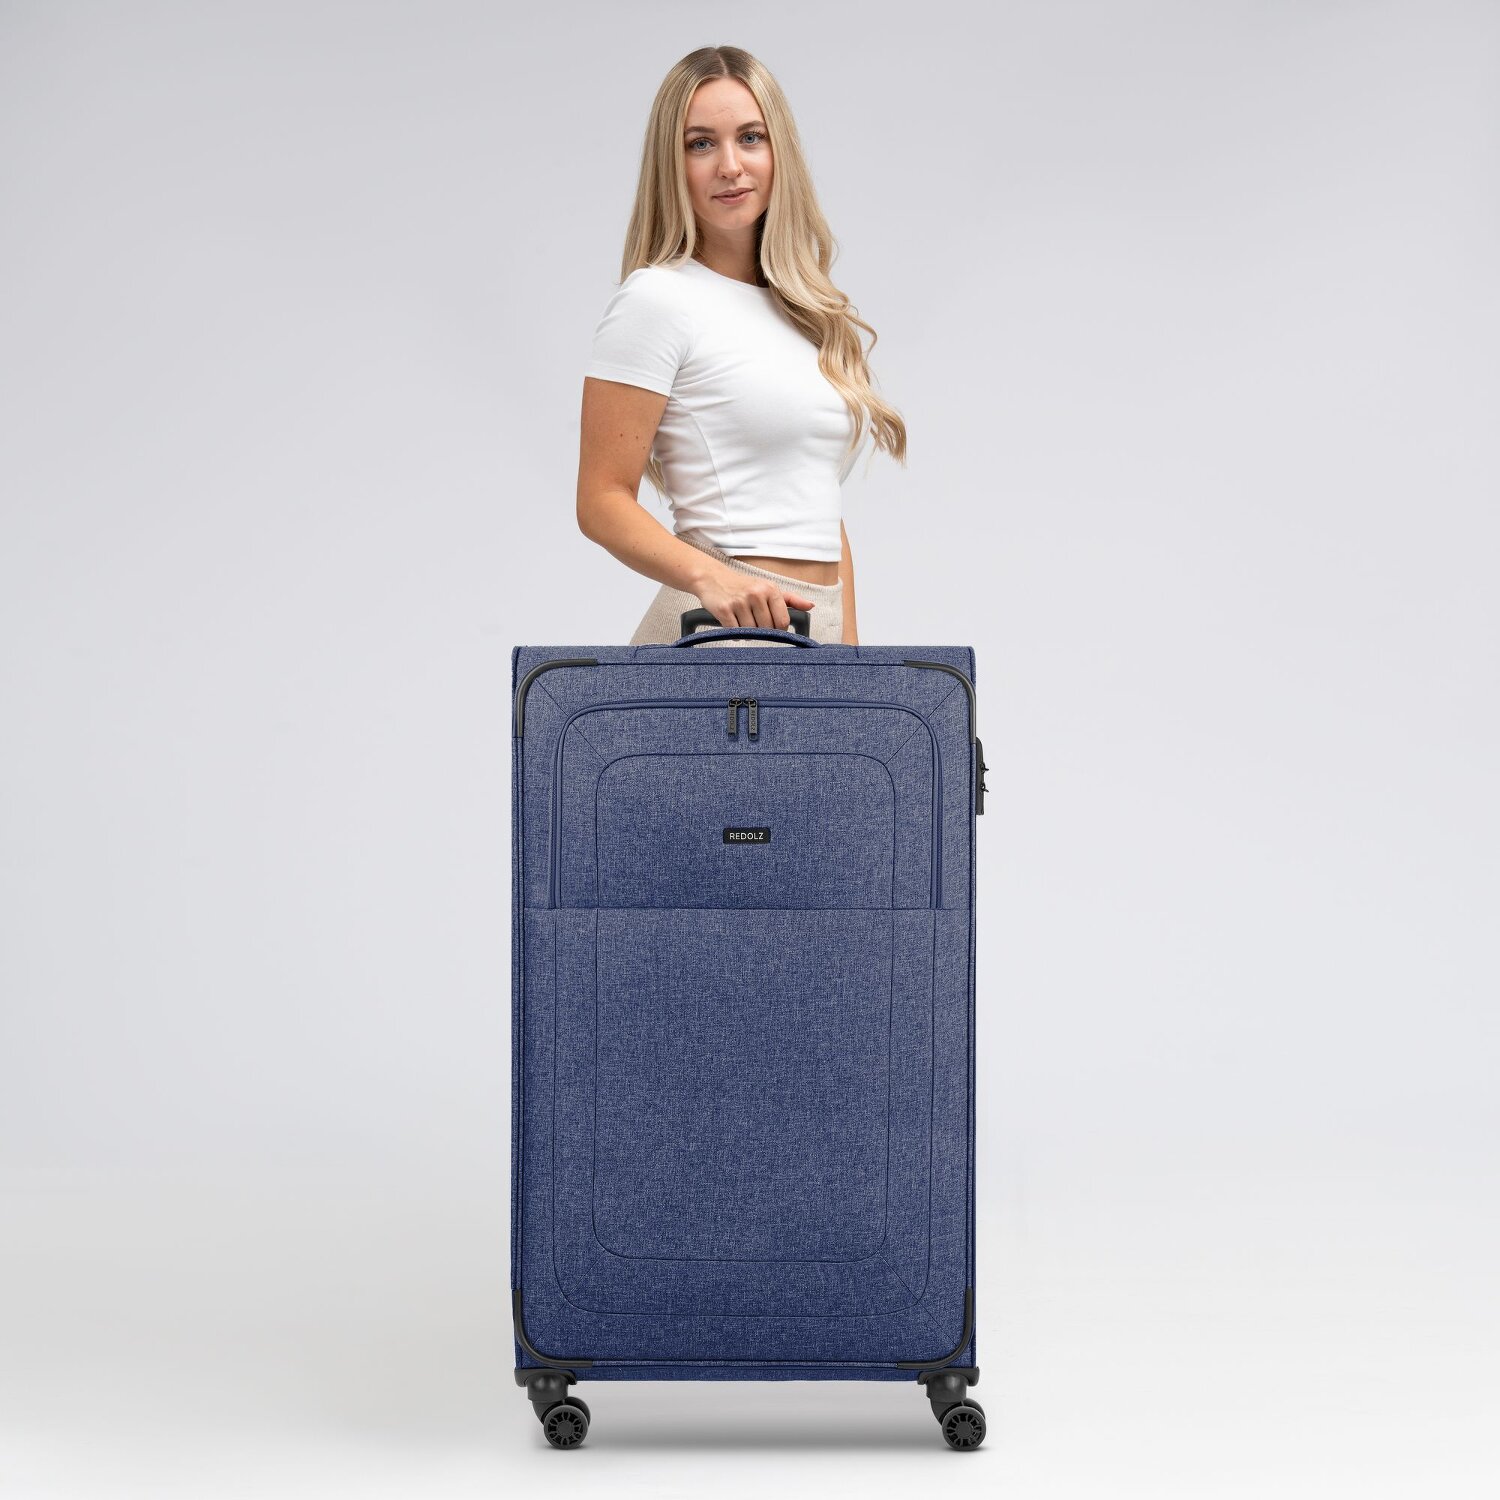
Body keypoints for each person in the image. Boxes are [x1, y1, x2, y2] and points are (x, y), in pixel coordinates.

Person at [576, 44, 907, 647]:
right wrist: (712, 579)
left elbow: (821, 512)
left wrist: (850, 662)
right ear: (671, 164)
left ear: (780, 151)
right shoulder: (657, 299)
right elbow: (600, 499)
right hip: (718, 630)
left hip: (815, 629)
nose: (730, 165)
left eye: (750, 138)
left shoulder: (806, 311)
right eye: (701, 144)